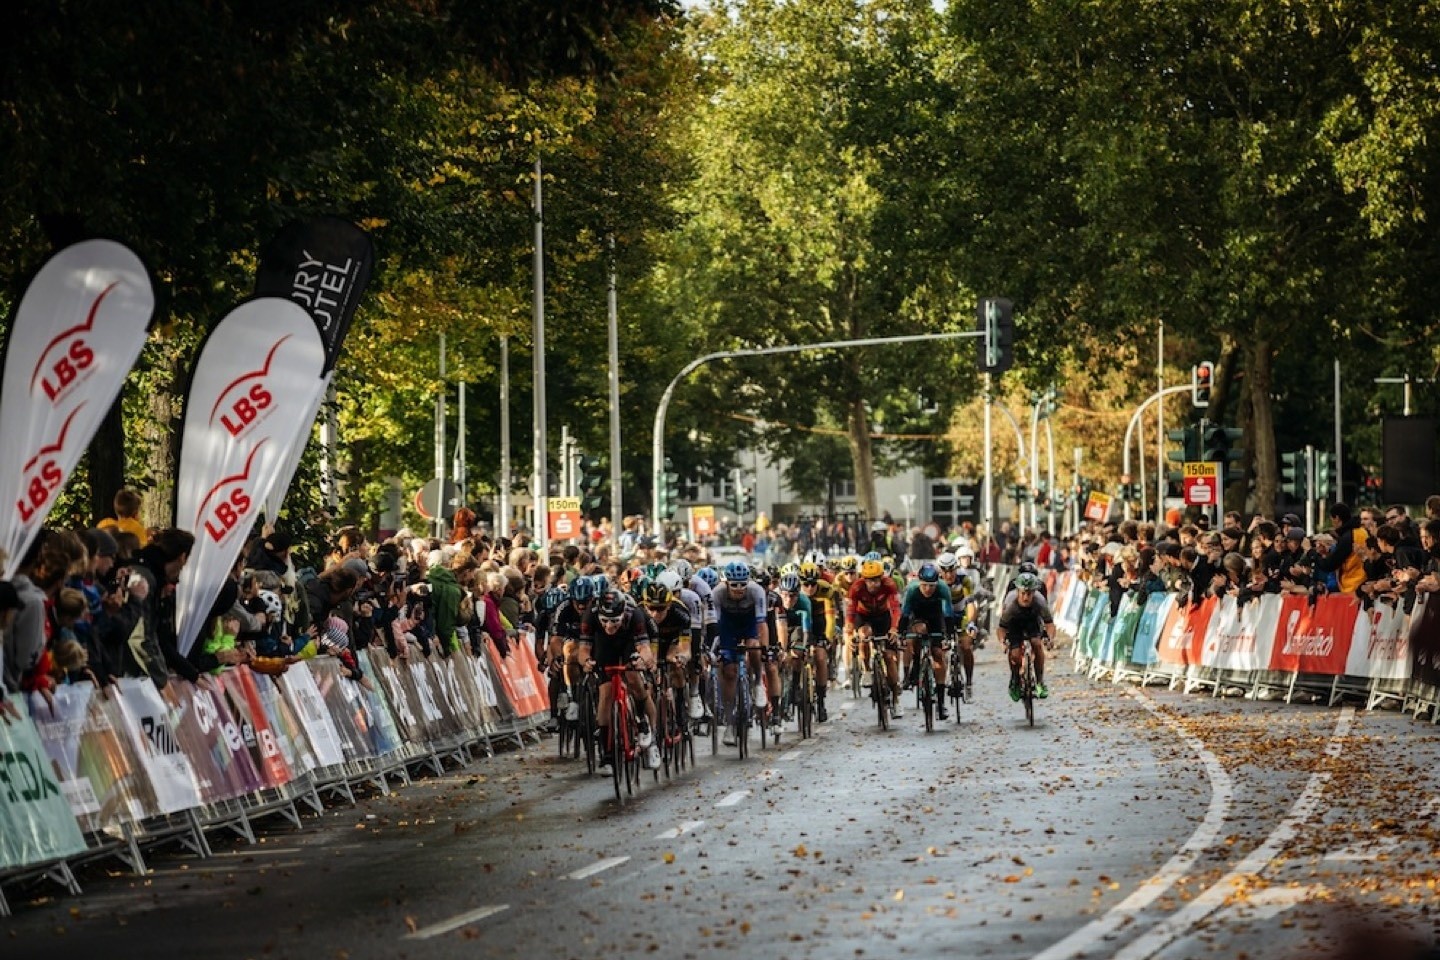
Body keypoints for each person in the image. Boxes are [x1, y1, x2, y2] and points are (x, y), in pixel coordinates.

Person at [580, 588, 659, 770]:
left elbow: (645, 648)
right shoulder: (590, 614)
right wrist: (586, 661)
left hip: (628, 642)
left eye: (614, 621)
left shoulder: (635, 615)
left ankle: (643, 722)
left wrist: (644, 660)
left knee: (634, 678)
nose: (609, 626)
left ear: (623, 614)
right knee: (605, 693)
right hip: (604, 646)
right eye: (605, 620)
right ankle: (607, 754)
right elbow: (583, 649)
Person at [711, 560, 770, 746]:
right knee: (729, 672)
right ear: (726, 583)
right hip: (727, 626)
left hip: (749, 622)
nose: (738, 589)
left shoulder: (756, 591)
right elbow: (715, 626)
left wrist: (764, 650)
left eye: (742, 585)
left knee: (754, 646)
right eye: (734, 585)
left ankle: (758, 683)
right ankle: (729, 723)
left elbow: (762, 624)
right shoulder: (717, 594)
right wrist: (715, 649)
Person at [897, 561, 953, 721]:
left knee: (938, 655)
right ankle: (915, 666)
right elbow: (905, 615)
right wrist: (901, 635)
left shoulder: (943, 589)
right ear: (919, 583)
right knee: (917, 633)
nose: (928, 589)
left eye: (931, 586)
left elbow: (948, 615)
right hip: (918, 616)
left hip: (936, 617)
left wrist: (948, 637)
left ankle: (941, 703)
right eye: (925, 585)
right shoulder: (912, 590)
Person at [997, 571, 1054, 701]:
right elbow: (1002, 627)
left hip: (1032, 622)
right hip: (1014, 624)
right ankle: (1015, 680)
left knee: (1037, 644)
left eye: (1029, 593)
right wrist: (1002, 641)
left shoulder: (1040, 602)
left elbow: (1049, 623)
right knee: (1015, 654)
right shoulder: (1010, 603)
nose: (1025, 597)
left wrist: (1050, 638)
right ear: (1017, 591)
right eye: (1022, 593)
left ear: (1034, 592)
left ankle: (1040, 681)